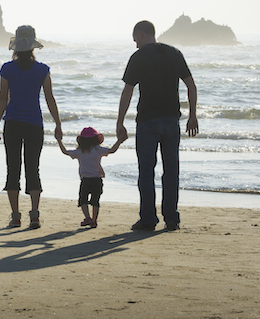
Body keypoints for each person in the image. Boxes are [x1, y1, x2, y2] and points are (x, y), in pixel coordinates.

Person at [115, 20, 198, 232]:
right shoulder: (174, 53)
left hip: (147, 120)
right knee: (171, 171)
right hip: (171, 120)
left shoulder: (139, 57)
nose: (135, 44)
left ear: (141, 35)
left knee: (146, 171)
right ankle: (171, 219)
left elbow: (128, 91)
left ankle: (148, 219)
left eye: (135, 40)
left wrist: (120, 122)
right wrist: (192, 116)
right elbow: (191, 85)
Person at [0, 25, 63, 229]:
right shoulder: (42, 70)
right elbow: (50, 98)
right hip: (34, 124)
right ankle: (34, 216)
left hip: (12, 123)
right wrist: (58, 124)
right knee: (33, 168)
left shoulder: (7, 69)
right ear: (33, 46)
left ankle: (15, 216)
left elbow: (3, 98)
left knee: (12, 168)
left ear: (15, 47)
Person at [57, 127, 122, 228]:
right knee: (95, 201)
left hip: (85, 180)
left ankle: (87, 217)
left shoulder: (79, 151)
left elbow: (65, 151)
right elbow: (112, 150)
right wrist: (119, 141)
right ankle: (94, 220)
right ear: (96, 139)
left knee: (83, 200)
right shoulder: (98, 149)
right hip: (97, 179)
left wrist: (59, 141)